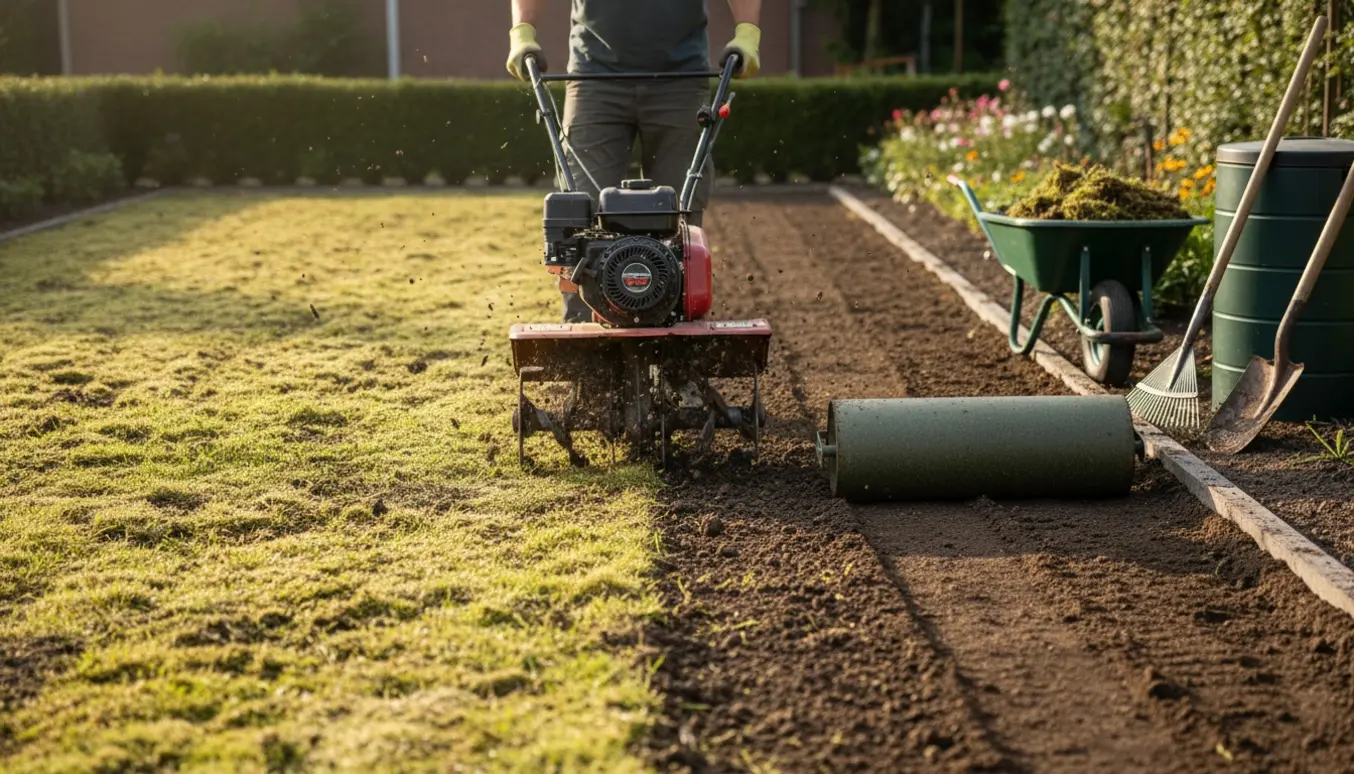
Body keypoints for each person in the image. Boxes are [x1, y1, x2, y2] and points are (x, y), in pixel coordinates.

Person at [506, 0, 762, 323]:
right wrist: (523, 30)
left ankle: (679, 350)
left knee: (681, 219)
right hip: (594, 77)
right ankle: (584, 347)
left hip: (680, 78)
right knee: (579, 214)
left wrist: (747, 31)